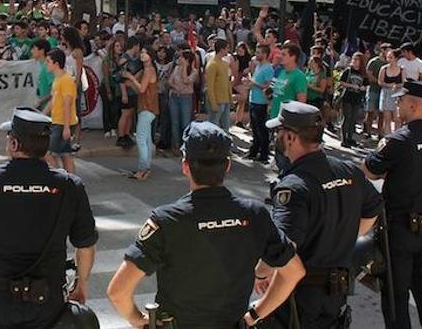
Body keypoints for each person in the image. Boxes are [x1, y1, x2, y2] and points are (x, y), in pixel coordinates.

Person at [107, 121, 305, 328]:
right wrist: (255, 314)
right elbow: (293, 272)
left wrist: (138, 320)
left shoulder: (166, 220)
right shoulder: (255, 215)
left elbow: (118, 291)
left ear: (185, 166)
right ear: (227, 165)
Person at [0, 107, 97, 329]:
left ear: (15, 144)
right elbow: (85, 244)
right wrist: (81, 283)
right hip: (47, 303)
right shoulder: (70, 186)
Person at [263, 102, 381, 328]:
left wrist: (262, 274)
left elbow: (284, 248)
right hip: (337, 290)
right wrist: (339, 237)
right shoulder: (349, 171)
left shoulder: (293, 187)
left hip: (301, 295)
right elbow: (373, 208)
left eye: (279, 131)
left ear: (290, 138)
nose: (276, 136)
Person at [362, 81, 422, 329]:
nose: (397, 103)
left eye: (401, 100)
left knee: (396, 293)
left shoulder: (400, 140)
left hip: (401, 229)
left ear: (413, 104)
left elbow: (371, 171)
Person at [122, 48, 158, 180]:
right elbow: (139, 87)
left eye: (145, 52)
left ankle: (143, 169)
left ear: (151, 55)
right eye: (141, 52)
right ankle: (145, 167)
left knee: (141, 139)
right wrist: (129, 82)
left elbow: (142, 89)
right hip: (147, 108)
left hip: (147, 108)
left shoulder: (149, 70)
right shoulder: (145, 70)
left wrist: (131, 77)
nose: (142, 55)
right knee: (147, 139)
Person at [44, 48, 78, 174]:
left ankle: (59, 177)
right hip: (58, 121)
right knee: (65, 153)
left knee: (46, 152)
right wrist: (42, 116)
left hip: (63, 122)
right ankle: (70, 180)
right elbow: (53, 101)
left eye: (48, 61)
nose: (46, 64)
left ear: (56, 63)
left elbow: (67, 104)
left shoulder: (67, 80)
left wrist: (66, 127)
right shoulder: (57, 79)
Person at [245, 45, 274, 163]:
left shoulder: (268, 68)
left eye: (258, 52)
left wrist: (254, 83)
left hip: (261, 102)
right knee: (255, 129)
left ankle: (264, 154)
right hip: (253, 100)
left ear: (265, 54)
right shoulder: (258, 66)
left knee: (262, 129)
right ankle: (254, 151)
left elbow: (268, 87)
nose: (256, 54)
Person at [167, 49, 198, 156]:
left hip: (186, 98)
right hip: (175, 97)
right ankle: (175, 145)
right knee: (175, 123)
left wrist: (185, 67)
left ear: (186, 59)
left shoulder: (194, 71)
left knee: (185, 123)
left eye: (182, 57)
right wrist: (175, 87)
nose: (179, 59)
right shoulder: (176, 68)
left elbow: (186, 80)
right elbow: (169, 81)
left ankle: (185, 146)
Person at [337, 52, 369, 148]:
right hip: (347, 96)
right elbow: (341, 82)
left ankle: (350, 138)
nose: (354, 62)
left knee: (353, 119)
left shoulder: (363, 73)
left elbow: (366, 85)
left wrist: (363, 88)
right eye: (353, 59)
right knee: (347, 117)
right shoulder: (348, 71)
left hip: (357, 98)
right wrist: (352, 85)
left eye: (357, 60)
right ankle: (344, 139)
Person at [269, 43, 308, 119]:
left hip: (287, 122)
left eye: (284, 54)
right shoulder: (282, 72)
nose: (280, 57)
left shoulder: (299, 76)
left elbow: (301, 103)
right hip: (274, 117)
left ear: (293, 57)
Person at [205, 38, 232, 131]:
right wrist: (213, 103)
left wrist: (230, 97)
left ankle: (225, 145)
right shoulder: (212, 64)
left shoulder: (225, 63)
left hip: (225, 100)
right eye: (227, 48)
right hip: (217, 101)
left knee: (226, 127)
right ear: (221, 49)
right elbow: (209, 85)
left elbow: (227, 82)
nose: (228, 50)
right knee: (213, 127)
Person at [378, 49, 406, 136]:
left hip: (398, 95)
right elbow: (380, 82)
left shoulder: (402, 69)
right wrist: (389, 85)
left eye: (391, 57)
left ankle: (397, 137)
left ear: (396, 58)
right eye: (388, 58)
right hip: (386, 94)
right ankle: (388, 137)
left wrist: (397, 86)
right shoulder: (384, 69)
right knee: (387, 118)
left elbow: (404, 82)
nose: (389, 59)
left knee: (397, 118)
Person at [365, 44, 390, 137]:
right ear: (382, 50)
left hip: (384, 91)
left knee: (382, 113)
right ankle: (368, 132)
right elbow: (369, 75)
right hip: (373, 89)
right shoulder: (374, 61)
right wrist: (379, 81)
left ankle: (380, 133)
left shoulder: (389, 63)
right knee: (370, 111)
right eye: (387, 50)